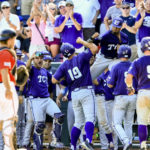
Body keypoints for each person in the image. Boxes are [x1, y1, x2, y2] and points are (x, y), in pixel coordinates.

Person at [52, 38, 98, 150]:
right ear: (73, 50)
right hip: (86, 90)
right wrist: (82, 42)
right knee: (90, 118)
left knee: (78, 123)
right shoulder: (80, 56)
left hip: (74, 94)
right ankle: (88, 141)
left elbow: (53, 80)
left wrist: (65, 76)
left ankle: (73, 146)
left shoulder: (63, 65)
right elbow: (94, 48)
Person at [26, 51, 65, 149]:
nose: (40, 60)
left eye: (41, 58)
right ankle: (38, 147)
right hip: (35, 100)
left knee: (59, 116)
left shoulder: (45, 71)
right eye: (37, 58)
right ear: (34, 59)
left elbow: (54, 79)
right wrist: (30, 58)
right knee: (39, 126)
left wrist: (63, 83)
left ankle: (55, 142)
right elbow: (27, 68)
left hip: (46, 99)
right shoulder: (32, 69)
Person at [108, 45, 137, 150]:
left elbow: (110, 85)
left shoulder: (116, 66)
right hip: (133, 96)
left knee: (116, 124)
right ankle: (128, 144)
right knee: (128, 123)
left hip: (121, 97)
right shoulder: (134, 65)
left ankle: (125, 141)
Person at [125, 37, 150, 150]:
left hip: (143, 92)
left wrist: (130, 88)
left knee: (142, 121)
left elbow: (128, 77)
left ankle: (143, 145)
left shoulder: (137, 61)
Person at [0, 29, 19, 150]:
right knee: (9, 122)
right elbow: (4, 71)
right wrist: (8, 88)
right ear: (10, 39)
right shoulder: (5, 53)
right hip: (4, 87)